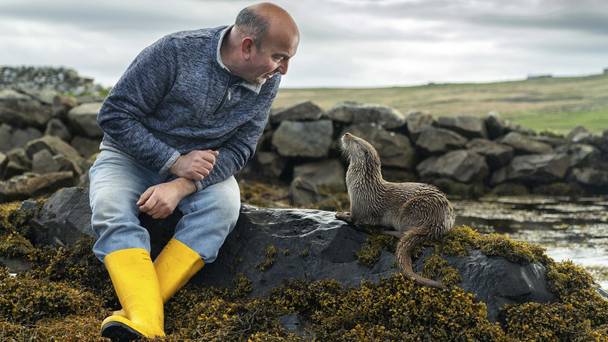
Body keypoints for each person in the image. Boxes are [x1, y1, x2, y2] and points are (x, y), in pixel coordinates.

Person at [88, 2, 299, 339]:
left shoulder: (266, 80)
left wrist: (182, 184)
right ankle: (149, 321)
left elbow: (241, 148)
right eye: (279, 57)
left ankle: (142, 316)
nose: (283, 69)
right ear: (247, 46)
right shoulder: (173, 52)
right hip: (127, 157)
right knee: (111, 208)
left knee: (223, 208)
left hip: (199, 172)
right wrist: (174, 161)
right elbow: (114, 116)